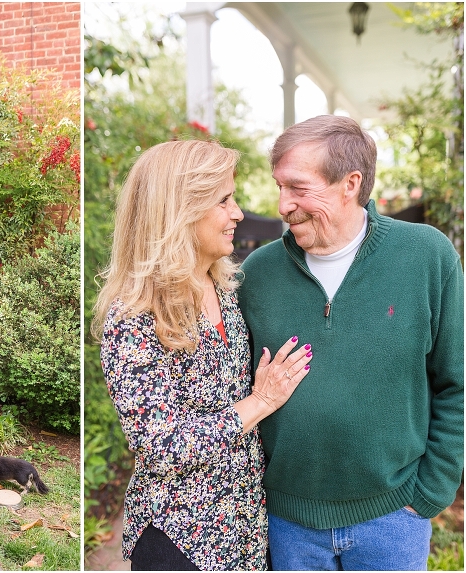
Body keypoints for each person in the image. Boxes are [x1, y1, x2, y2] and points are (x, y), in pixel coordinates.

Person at [238, 115, 464, 571]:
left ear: (350, 183)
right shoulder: (256, 274)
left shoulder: (426, 257)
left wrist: (430, 492)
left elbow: (456, 382)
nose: (283, 205)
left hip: (393, 519)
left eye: (298, 188)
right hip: (287, 523)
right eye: (279, 187)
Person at [93, 140, 313, 570]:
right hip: (178, 538)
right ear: (180, 211)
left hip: (245, 528)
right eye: (224, 201)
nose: (238, 214)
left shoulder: (225, 290)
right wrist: (260, 403)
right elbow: (159, 443)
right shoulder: (135, 315)